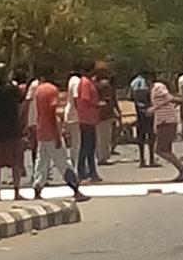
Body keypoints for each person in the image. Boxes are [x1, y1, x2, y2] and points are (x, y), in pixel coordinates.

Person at [31, 65, 88, 201]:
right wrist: (57, 134)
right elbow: (53, 114)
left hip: (41, 130)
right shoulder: (52, 90)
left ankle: (37, 188)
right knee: (63, 162)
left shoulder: (38, 90)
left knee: (42, 162)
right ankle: (75, 188)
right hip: (51, 131)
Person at [0, 63, 27, 201]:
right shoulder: (13, 89)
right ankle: (16, 191)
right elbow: (21, 105)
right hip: (13, 129)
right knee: (16, 162)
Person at [149, 76, 183, 181]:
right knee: (166, 149)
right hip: (163, 120)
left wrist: (155, 108)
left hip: (167, 121)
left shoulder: (158, 87)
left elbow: (169, 98)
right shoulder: (153, 89)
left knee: (160, 149)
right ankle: (182, 170)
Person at [73, 61, 101, 184]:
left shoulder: (88, 82)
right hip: (87, 118)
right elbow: (85, 100)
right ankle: (83, 172)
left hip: (89, 118)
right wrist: (97, 104)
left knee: (90, 146)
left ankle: (91, 171)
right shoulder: (85, 83)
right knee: (87, 146)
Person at [130, 71, 156, 168]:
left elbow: (131, 97)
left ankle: (142, 160)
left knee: (141, 137)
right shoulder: (148, 84)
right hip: (148, 112)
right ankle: (151, 159)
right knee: (151, 135)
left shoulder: (133, 82)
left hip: (138, 112)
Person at [95, 67, 119, 166]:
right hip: (105, 113)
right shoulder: (105, 84)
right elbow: (109, 98)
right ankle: (102, 158)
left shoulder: (93, 83)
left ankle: (99, 155)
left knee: (99, 136)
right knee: (105, 136)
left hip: (96, 113)